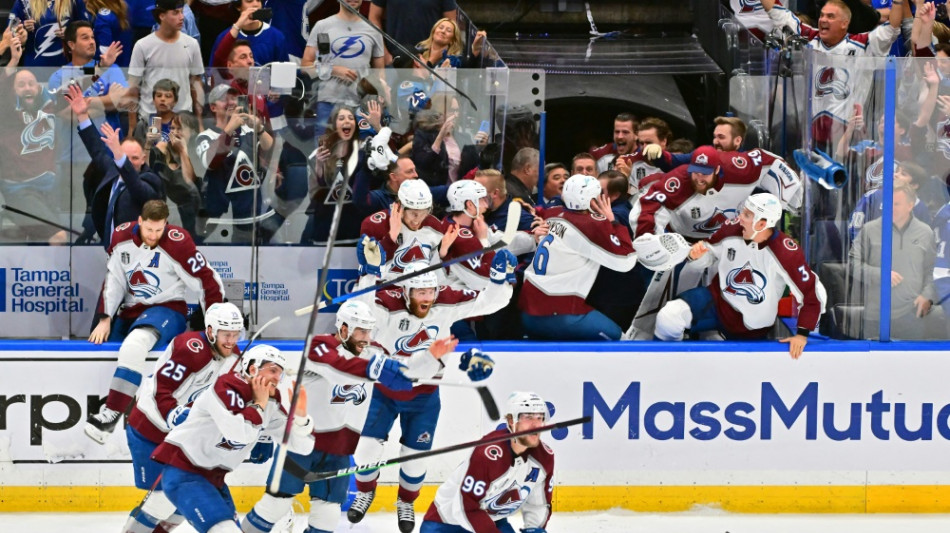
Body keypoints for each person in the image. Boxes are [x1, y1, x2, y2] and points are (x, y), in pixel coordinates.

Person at [242, 302, 457, 533]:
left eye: (369, 331)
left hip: (339, 450)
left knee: (327, 516)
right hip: (301, 444)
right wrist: (376, 369)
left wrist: (428, 359)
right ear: (343, 328)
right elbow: (340, 370)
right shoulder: (319, 347)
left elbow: (405, 375)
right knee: (275, 505)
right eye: (360, 331)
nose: (366, 338)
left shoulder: (374, 353)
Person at [348, 247, 513, 532]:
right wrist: (370, 275)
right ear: (405, 291)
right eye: (420, 293)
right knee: (365, 450)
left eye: (430, 292)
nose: (427, 298)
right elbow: (360, 313)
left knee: (414, 459)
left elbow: (489, 302)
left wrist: (499, 281)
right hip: (384, 391)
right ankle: (365, 492)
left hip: (424, 396)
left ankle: (406, 501)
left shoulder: (446, 299)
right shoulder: (387, 301)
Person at [85, 199, 225, 444]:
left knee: (135, 345)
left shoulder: (178, 243)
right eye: (149, 229)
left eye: (159, 230)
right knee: (106, 351)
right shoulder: (121, 237)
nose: (153, 235)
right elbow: (115, 279)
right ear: (140, 221)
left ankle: (111, 415)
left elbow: (207, 281)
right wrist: (105, 318)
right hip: (130, 311)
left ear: (166, 224)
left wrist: (216, 326)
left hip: (167, 309)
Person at [152, 345, 314, 533]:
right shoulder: (226, 387)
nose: (278, 378)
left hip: (215, 481)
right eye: (273, 371)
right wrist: (258, 405)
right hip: (184, 473)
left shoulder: (270, 401)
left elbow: (302, 447)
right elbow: (239, 434)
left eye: (280, 373)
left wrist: (301, 418)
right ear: (253, 369)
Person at [120, 302, 245, 533]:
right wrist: (174, 414)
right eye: (226, 335)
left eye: (236, 334)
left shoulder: (234, 360)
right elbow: (161, 389)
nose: (231, 341)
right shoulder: (189, 349)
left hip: (181, 438)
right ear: (210, 331)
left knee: (183, 498)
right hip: (150, 429)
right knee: (161, 501)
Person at [655, 193, 826, 359]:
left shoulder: (786, 253)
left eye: (747, 215)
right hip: (718, 302)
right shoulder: (731, 228)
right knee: (670, 317)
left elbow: (811, 293)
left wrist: (802, 334)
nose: (740, 218)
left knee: (735, 367)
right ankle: (668, 368)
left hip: (753, 328)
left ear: (761, 224)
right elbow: (709, 256)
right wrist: (696, 256)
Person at [759, 0, 902, 147]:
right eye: (822, 15)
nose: (823, 20)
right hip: (814, 135)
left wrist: (898, 2)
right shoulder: (809, 39)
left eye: (830, 16)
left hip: (849, 136)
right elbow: (776, 11)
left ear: (844, 23)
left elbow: (891, 28)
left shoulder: (862, 45)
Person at [519, 174, 637, 341]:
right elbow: (626, 261)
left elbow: (545, 211)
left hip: (527, 311)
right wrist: (613, 221)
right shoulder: (592, 224)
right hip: (561, 312)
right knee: (621, 340)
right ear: (592, 200)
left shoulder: (552, 213)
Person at [419, 391, 554, 533]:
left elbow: (538, 504)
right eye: (528, 417)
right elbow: (467, 506)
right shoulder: (487, 455)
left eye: (540, 418)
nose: (536, 425)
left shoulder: (544, 458)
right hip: (446, 524)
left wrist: (534, 529)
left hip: (491, 521)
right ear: (511, 421)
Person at [64, 83, 164, 246]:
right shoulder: (113, 171)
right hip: (112, 250)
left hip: (140, 252)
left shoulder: (150, 180)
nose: (129, 163)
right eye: (125, 157)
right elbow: (97, 150)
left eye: (134, 158)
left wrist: (119, 155)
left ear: (143, 158)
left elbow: (135, 185)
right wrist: (82, 115)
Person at [0, 35, 67, 244]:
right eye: (21, 85)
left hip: (47, 190)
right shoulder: (8, 113)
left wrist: (101, 68)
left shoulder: (47, 108)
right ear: (13, 91)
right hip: (20, 190)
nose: (28, 88)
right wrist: (13, 62)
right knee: (58, 236)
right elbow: (3, 92)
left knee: (40, 243)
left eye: (31, 84)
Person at [851, 186, 937, 340]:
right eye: (888, 203)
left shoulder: (925, 232)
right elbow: (853, 264)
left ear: (910, 205)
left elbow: (932, 270)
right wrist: (881, 275)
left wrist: (927, 296)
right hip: (876, 317)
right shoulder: (869, 230)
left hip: (912, 316)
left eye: (896, 204)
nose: (890, 208)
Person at [194, 84, 277, 244]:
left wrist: (259, 128)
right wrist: (230, 128)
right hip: (218, 212)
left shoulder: (249, 132)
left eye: (233, 98)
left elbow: (269, 149)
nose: (231, 102)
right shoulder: (205, 136)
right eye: (224, 99)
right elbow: (209, 162)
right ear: (213, 107)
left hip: (249, 212)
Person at [302, 0, 385, 137]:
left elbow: (380, 73)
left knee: (361, 149)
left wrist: (379, 100)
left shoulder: (373, 30)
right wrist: (333, 70)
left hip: (361, 103)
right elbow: (305, 65)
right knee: (325, 148)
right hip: (329, 102)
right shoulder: (322, 26)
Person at [128, 0, 205, 124]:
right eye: (175, 13)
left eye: (182, 12)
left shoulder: (192, 44)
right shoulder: (142, 46)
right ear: (162, 16)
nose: (182, 17)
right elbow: (133, 87)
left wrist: (199, 123)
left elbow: (196, 83)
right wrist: (132, 126)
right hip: (150, 119)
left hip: (182, 121)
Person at [360, 179, 445, 278]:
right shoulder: (374, 225)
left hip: (419, 287)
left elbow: (437, 273)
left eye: (424, 213)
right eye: (413, 213)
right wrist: (391, 238)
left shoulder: (433, 225)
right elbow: (369, 267)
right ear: (400, 206)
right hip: (383, 286)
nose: (417, 220)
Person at [210, 0, 289, 73]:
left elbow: (283, 74)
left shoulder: (276, 37)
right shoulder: (224, 38)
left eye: (258, 0)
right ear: (238, 6)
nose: (255, 5)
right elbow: (215, 73)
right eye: (249, 1)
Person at [369, 0, 457, 65]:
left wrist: (435, 57)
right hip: (394, 58)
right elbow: (373, 18)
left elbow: (452, 24)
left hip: (430, 59)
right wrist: (384, 53)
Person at [10, 0, 88, 67]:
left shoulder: (73, 1)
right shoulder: (24, 2)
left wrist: (71, 32)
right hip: (34, 64)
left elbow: (87, 27)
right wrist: (22, 27)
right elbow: (11, 26)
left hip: (65, 63)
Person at [85, 0, 133, 67]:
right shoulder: (121, 11)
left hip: (109, 68)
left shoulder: (103, 18)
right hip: (124, 65)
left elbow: (105, 50)